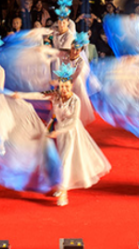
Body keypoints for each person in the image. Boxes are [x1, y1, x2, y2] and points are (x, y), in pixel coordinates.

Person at [13, 63, 110, 207]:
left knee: (65, 161)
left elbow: (73, 122)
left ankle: (63, 192)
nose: (63, 89)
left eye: (66, 86)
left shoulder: (75, 101)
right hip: (56, 132)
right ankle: (59, 185)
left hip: (71, 134)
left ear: (71, 86)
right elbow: (39, 95)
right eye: (61, 86)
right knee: (56, 160)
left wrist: (58, 132)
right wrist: (20, 95)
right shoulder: (55, 95)